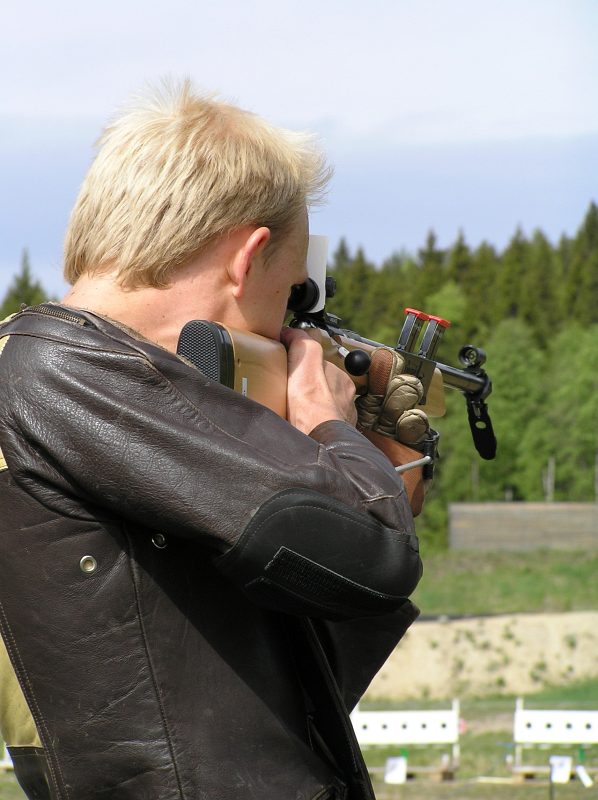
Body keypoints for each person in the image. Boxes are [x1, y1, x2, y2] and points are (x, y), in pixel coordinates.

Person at [0, 81, 431, 800]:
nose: (286, 322)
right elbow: (377, 559)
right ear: (247, 258)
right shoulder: (73, 375)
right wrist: (324, 419)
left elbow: (304, 628)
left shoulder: (72, 372)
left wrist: (378, 460)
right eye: (289, 290)